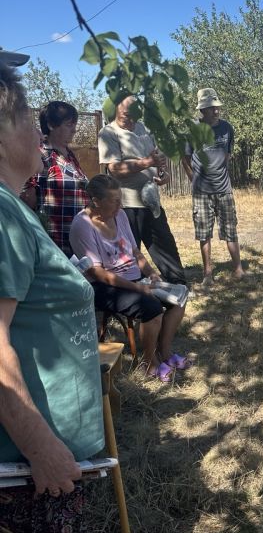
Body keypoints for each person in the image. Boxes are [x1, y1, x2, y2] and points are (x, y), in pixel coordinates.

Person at [0, 53, 115, 533]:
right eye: (25, 118)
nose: (40, 135)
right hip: (32, 463)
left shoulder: (12, 210)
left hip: (26, 460)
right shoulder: (2, 214)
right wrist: (45, 448)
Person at [70, 174, 189, 382]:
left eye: (120, 199)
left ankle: (165, 352)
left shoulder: (120, 216)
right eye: (114, 201)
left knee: (180, 296)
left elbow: (136, 253)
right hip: (103, 286)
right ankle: (149, 362)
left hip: (133, 280)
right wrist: (137, 289)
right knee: (152, 309)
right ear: (96, 201)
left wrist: (151, 273)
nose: (119, 206)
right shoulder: (82, 225)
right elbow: (97, 273)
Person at [97, 95, 187, 286]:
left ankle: (178, 284)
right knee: (129, 253)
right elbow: (115, 169)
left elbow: (157, 159)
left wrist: (164, 175)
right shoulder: (108, 133)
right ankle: (132, 293)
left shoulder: (145, 130)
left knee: (165, 246)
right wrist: (146, 163)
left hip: (152, 201)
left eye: (133, 115)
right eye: (124, 115)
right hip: (125, 206)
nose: (129, 119)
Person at [183, 87, 244, 286]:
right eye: (211, 108)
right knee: (204, 233)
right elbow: (185, 158)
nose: (216, 111)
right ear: (202, 110)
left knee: (230, 229)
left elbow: (228, 153)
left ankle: (238, 269)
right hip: (201, 191)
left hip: (224, 189)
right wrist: (194, 178)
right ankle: (207, 273)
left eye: (217, 107)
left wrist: (219, 171)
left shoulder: (227, 128)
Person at [24, 100, 89, 255]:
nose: (74, 130)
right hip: (56, 245)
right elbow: (28, 202)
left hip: (78, 241)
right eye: (69, 125)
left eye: (74, 124)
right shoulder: (41, 155)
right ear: (51, 125)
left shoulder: (70, 155)